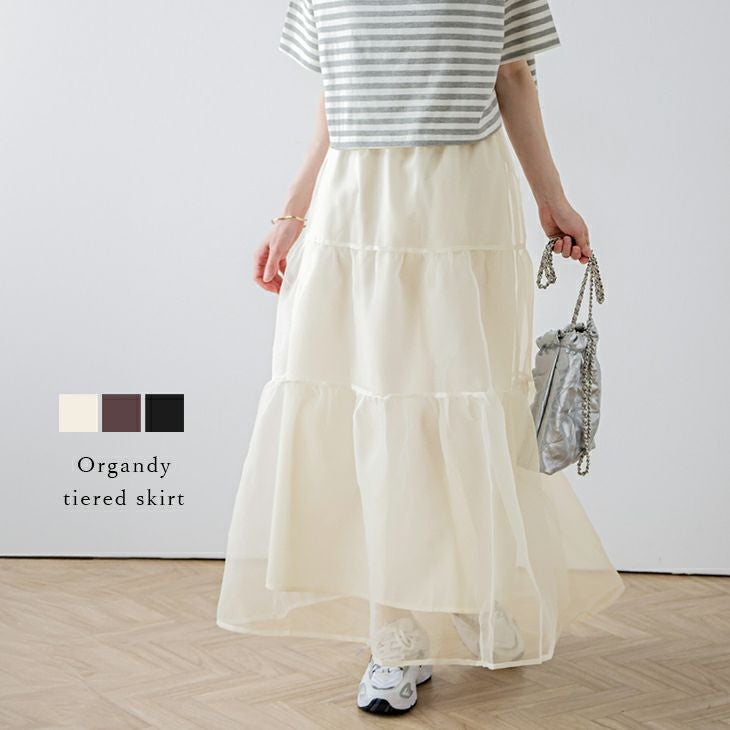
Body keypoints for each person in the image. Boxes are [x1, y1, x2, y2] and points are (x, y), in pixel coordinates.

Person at [217, 0, 625, 716]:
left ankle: (470, 586)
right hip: (358, 207)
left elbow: (513, 76)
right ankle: (394, 633)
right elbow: (337, 93)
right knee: (374, 404)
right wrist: (291, 212)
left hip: (462, 201)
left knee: (464, 401)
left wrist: (552, 199)